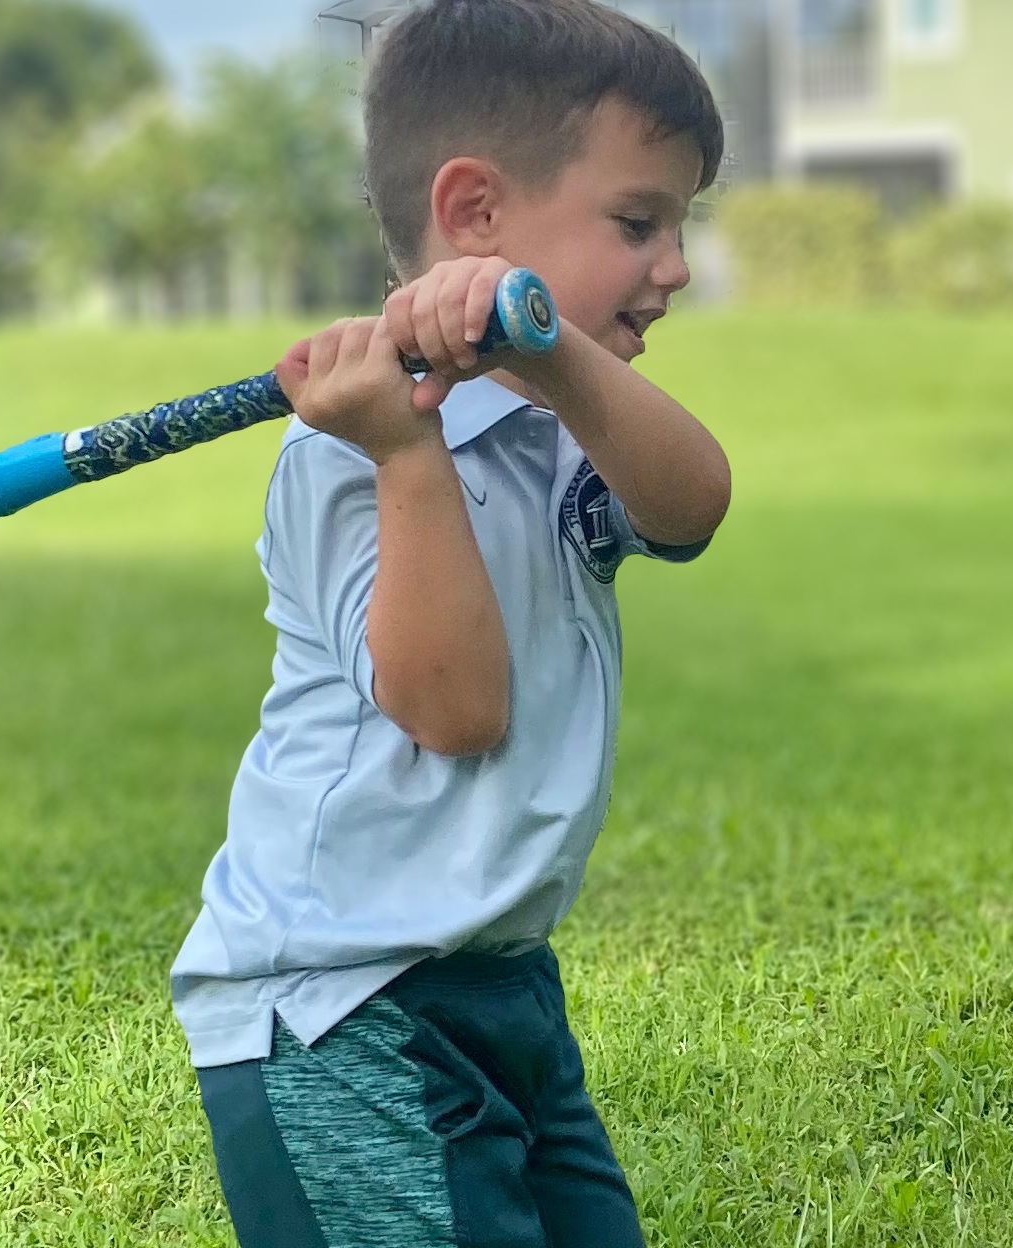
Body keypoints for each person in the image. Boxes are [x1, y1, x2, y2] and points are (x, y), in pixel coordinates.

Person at [168, 1, 731, 1242]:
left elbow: (693, 507)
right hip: (341, 1010)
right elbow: (454, 708)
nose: (674, 265)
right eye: (638, 222)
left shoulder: (562, 423)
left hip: (499, 984)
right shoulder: (345, 454)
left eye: (676, 226)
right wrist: (402, 447)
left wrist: (555, 357)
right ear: (473, 212)